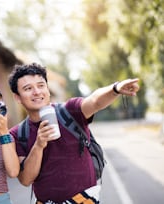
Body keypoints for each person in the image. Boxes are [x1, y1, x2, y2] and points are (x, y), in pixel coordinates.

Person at [8, 63, 140, 204]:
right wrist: (39, 145)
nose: (37, 92)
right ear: (17, 97)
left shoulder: (69, 111)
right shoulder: (18, 134)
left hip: (85, 200)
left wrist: (116, 89)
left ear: (47, 88)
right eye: (28, 88)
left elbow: (94, 101)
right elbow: (26, 179)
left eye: (41, 85)